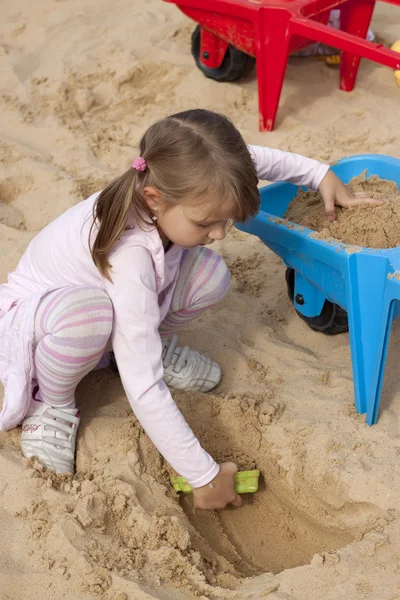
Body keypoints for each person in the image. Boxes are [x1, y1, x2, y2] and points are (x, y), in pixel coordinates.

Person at [0, 109, 382, 510]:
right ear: (154, 199)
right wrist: (203, 476)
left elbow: (259, 161)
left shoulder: (195, 176)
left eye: (225, 221)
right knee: (90, 317)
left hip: (113, 309)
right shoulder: (129, 257)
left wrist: (321, 175)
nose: (217, 234)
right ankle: (53, 405)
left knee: (210, 274)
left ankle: (145, 344)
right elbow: (143, 386)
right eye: (205, 223)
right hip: (43, 322)